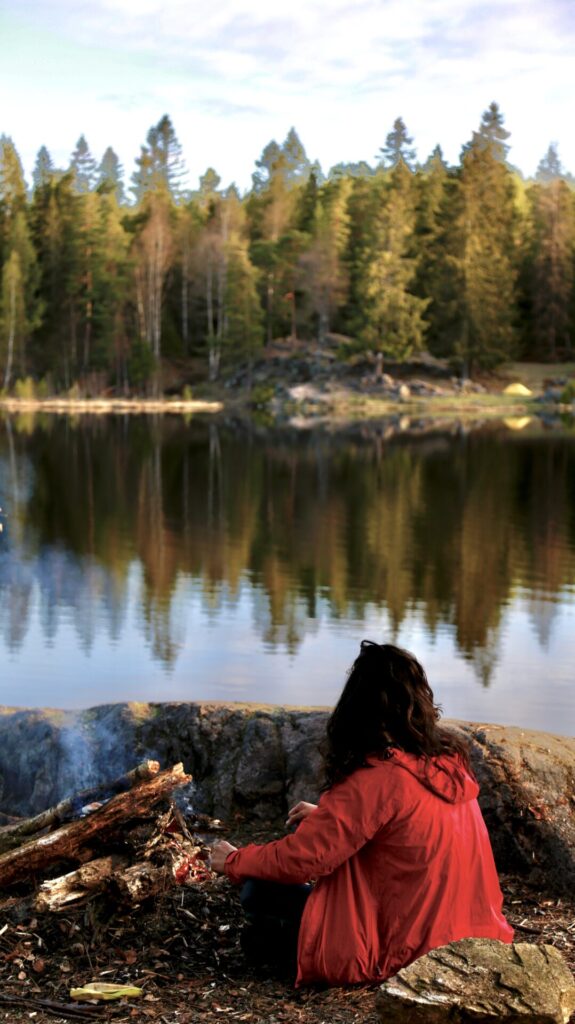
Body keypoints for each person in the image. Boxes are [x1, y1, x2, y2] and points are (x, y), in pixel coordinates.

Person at [210, 641, 513, 986]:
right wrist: (329, 815)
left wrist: (233, 861)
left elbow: (302, 861)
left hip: (405, 949)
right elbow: (406, 827)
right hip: (470, 935)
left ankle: (283, 949)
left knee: (258, 889)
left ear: (359, 706)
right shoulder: (447, 764)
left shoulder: (378, 777)